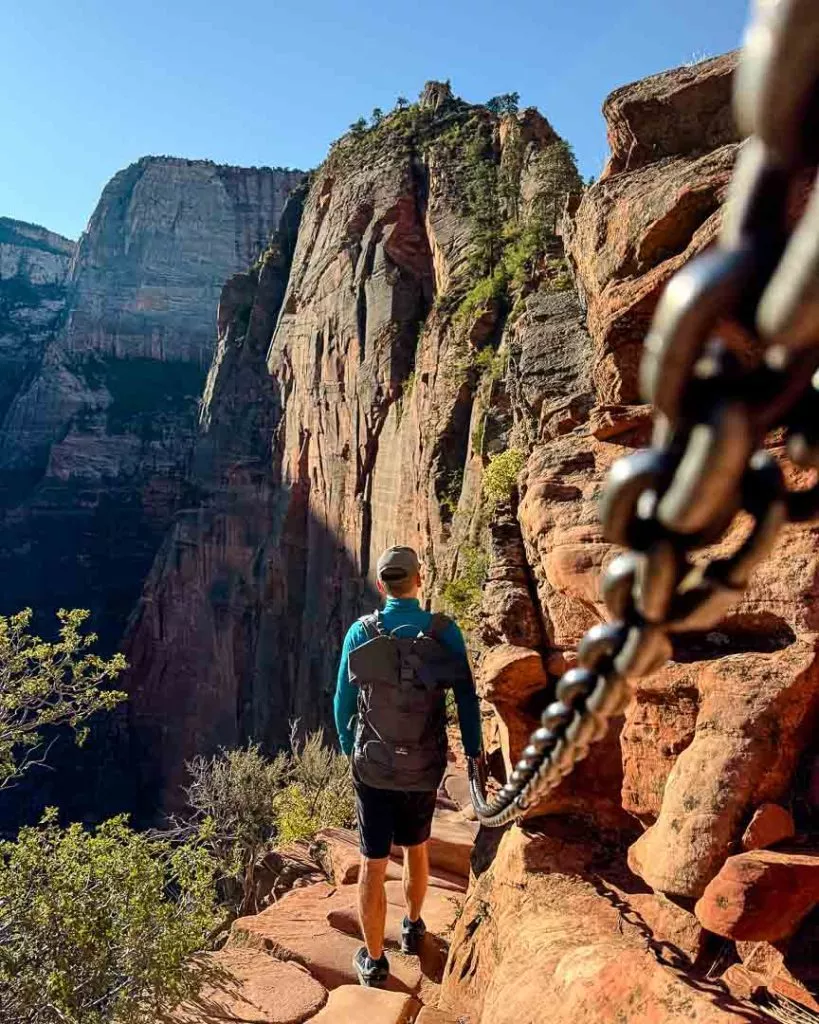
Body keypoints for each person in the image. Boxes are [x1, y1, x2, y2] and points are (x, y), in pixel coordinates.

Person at [334, 545, 482, 988]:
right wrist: (473, 752)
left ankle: (375, 961)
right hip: (423, 766)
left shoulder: (361, 632)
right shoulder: (445, 632)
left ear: (381, 586)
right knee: (417, 847)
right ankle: (413, 926)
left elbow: (342, 702)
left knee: (372, 862)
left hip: (374, 769)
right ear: (421, 580)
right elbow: (467, 700)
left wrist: (350, 750)